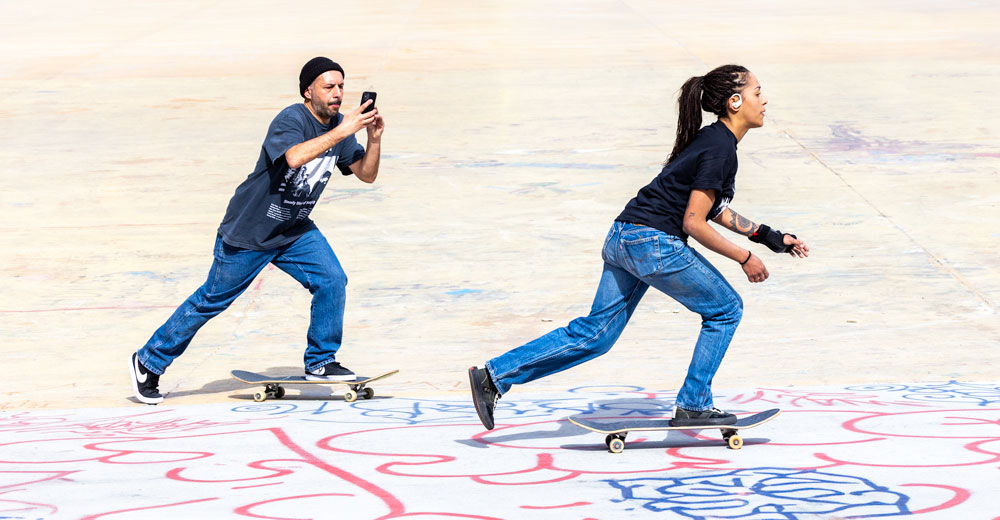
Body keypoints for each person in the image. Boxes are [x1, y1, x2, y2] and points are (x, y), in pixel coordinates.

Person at [468, 64, 809, 429]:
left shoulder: (714, 141)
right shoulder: (720, 148)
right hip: (652, 243)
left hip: (624, 236)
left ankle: (493, 376)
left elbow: (716, 210)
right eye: (758, 92)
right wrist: (745, 257)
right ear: (736, 101)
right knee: (725, 309)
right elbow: (693, 222)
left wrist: (768, 236)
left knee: (595, 335)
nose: (765, 99)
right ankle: (694, 403)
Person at [129, 57, 385, 404]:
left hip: (294, 231)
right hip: (250, 231)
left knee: (332, 280)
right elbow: (294, 157)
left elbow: (366, 174)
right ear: (308, 91)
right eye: (329, 87)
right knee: (211, 300)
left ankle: (321, 361)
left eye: (341, 86)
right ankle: (148, 361)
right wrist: (343, 131)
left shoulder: (340, 126)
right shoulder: (291, 119)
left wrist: (373, 139)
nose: (338, 93)